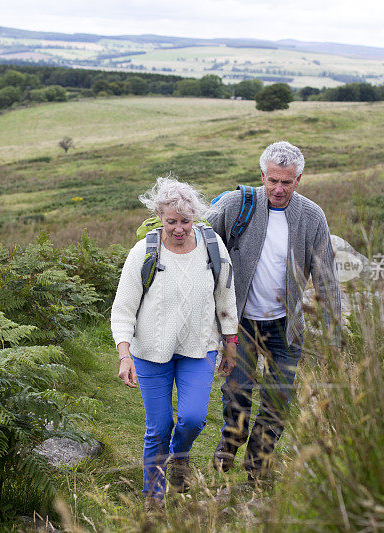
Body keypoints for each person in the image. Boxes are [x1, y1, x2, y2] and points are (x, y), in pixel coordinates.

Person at [206, 141, 342, 481]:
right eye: (272, 181)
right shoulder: (237, 204)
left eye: (287, 182)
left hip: (286, 326)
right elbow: (202, 242)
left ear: (299, 180)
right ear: (262, 176)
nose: (278, 189)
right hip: (242, 323)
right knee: (237, 390)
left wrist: (332, 335)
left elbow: (326, 277)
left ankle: (257, 465)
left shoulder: (311, 217)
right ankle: (231, 439)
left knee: (278, 400)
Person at [110, 176, 238, 508]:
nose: (178, 228)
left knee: (194, 419)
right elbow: (123, 307)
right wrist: (125, 355)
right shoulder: (144, 251)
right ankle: (153, 501)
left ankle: (179, 456)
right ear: (160, 217)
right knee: (159, 426)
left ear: (194, 218)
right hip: (151, 351)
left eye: (185, 221)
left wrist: (231, 341)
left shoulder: (213, 246)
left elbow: (226, 297)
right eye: (171, 221)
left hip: (200, 347)